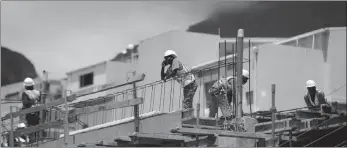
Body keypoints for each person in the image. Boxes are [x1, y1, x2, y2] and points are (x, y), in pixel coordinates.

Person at [21, 77, 41, 143]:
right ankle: (37, 141)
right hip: (38, 114)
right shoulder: (38, 92)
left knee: (30, 129)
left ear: (25, 86)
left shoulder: (25, 93)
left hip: (30, 115)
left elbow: (25, 103)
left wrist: (30, 102)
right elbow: (40, 102)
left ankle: (32, 143)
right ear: (33, 85)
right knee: (37, 128)